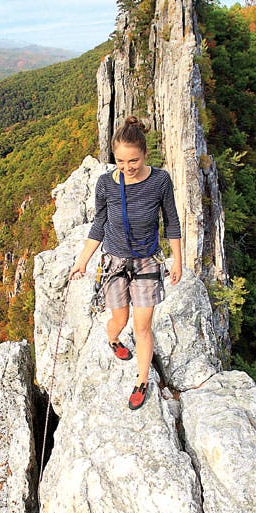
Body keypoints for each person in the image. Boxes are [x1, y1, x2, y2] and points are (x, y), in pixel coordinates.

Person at [70, 116, 182, 410]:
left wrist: (178, 261)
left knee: (142, 327)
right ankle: (113, 340)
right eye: (120, 161)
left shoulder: (160, 181)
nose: (127, 167)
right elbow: (99, 224)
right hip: (115, 261)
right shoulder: (106, 184)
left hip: (146, 262)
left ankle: (142, 381)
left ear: (145, 154)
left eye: (133, 160)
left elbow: (171, 221)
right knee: (119, 320)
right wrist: (82, 261)